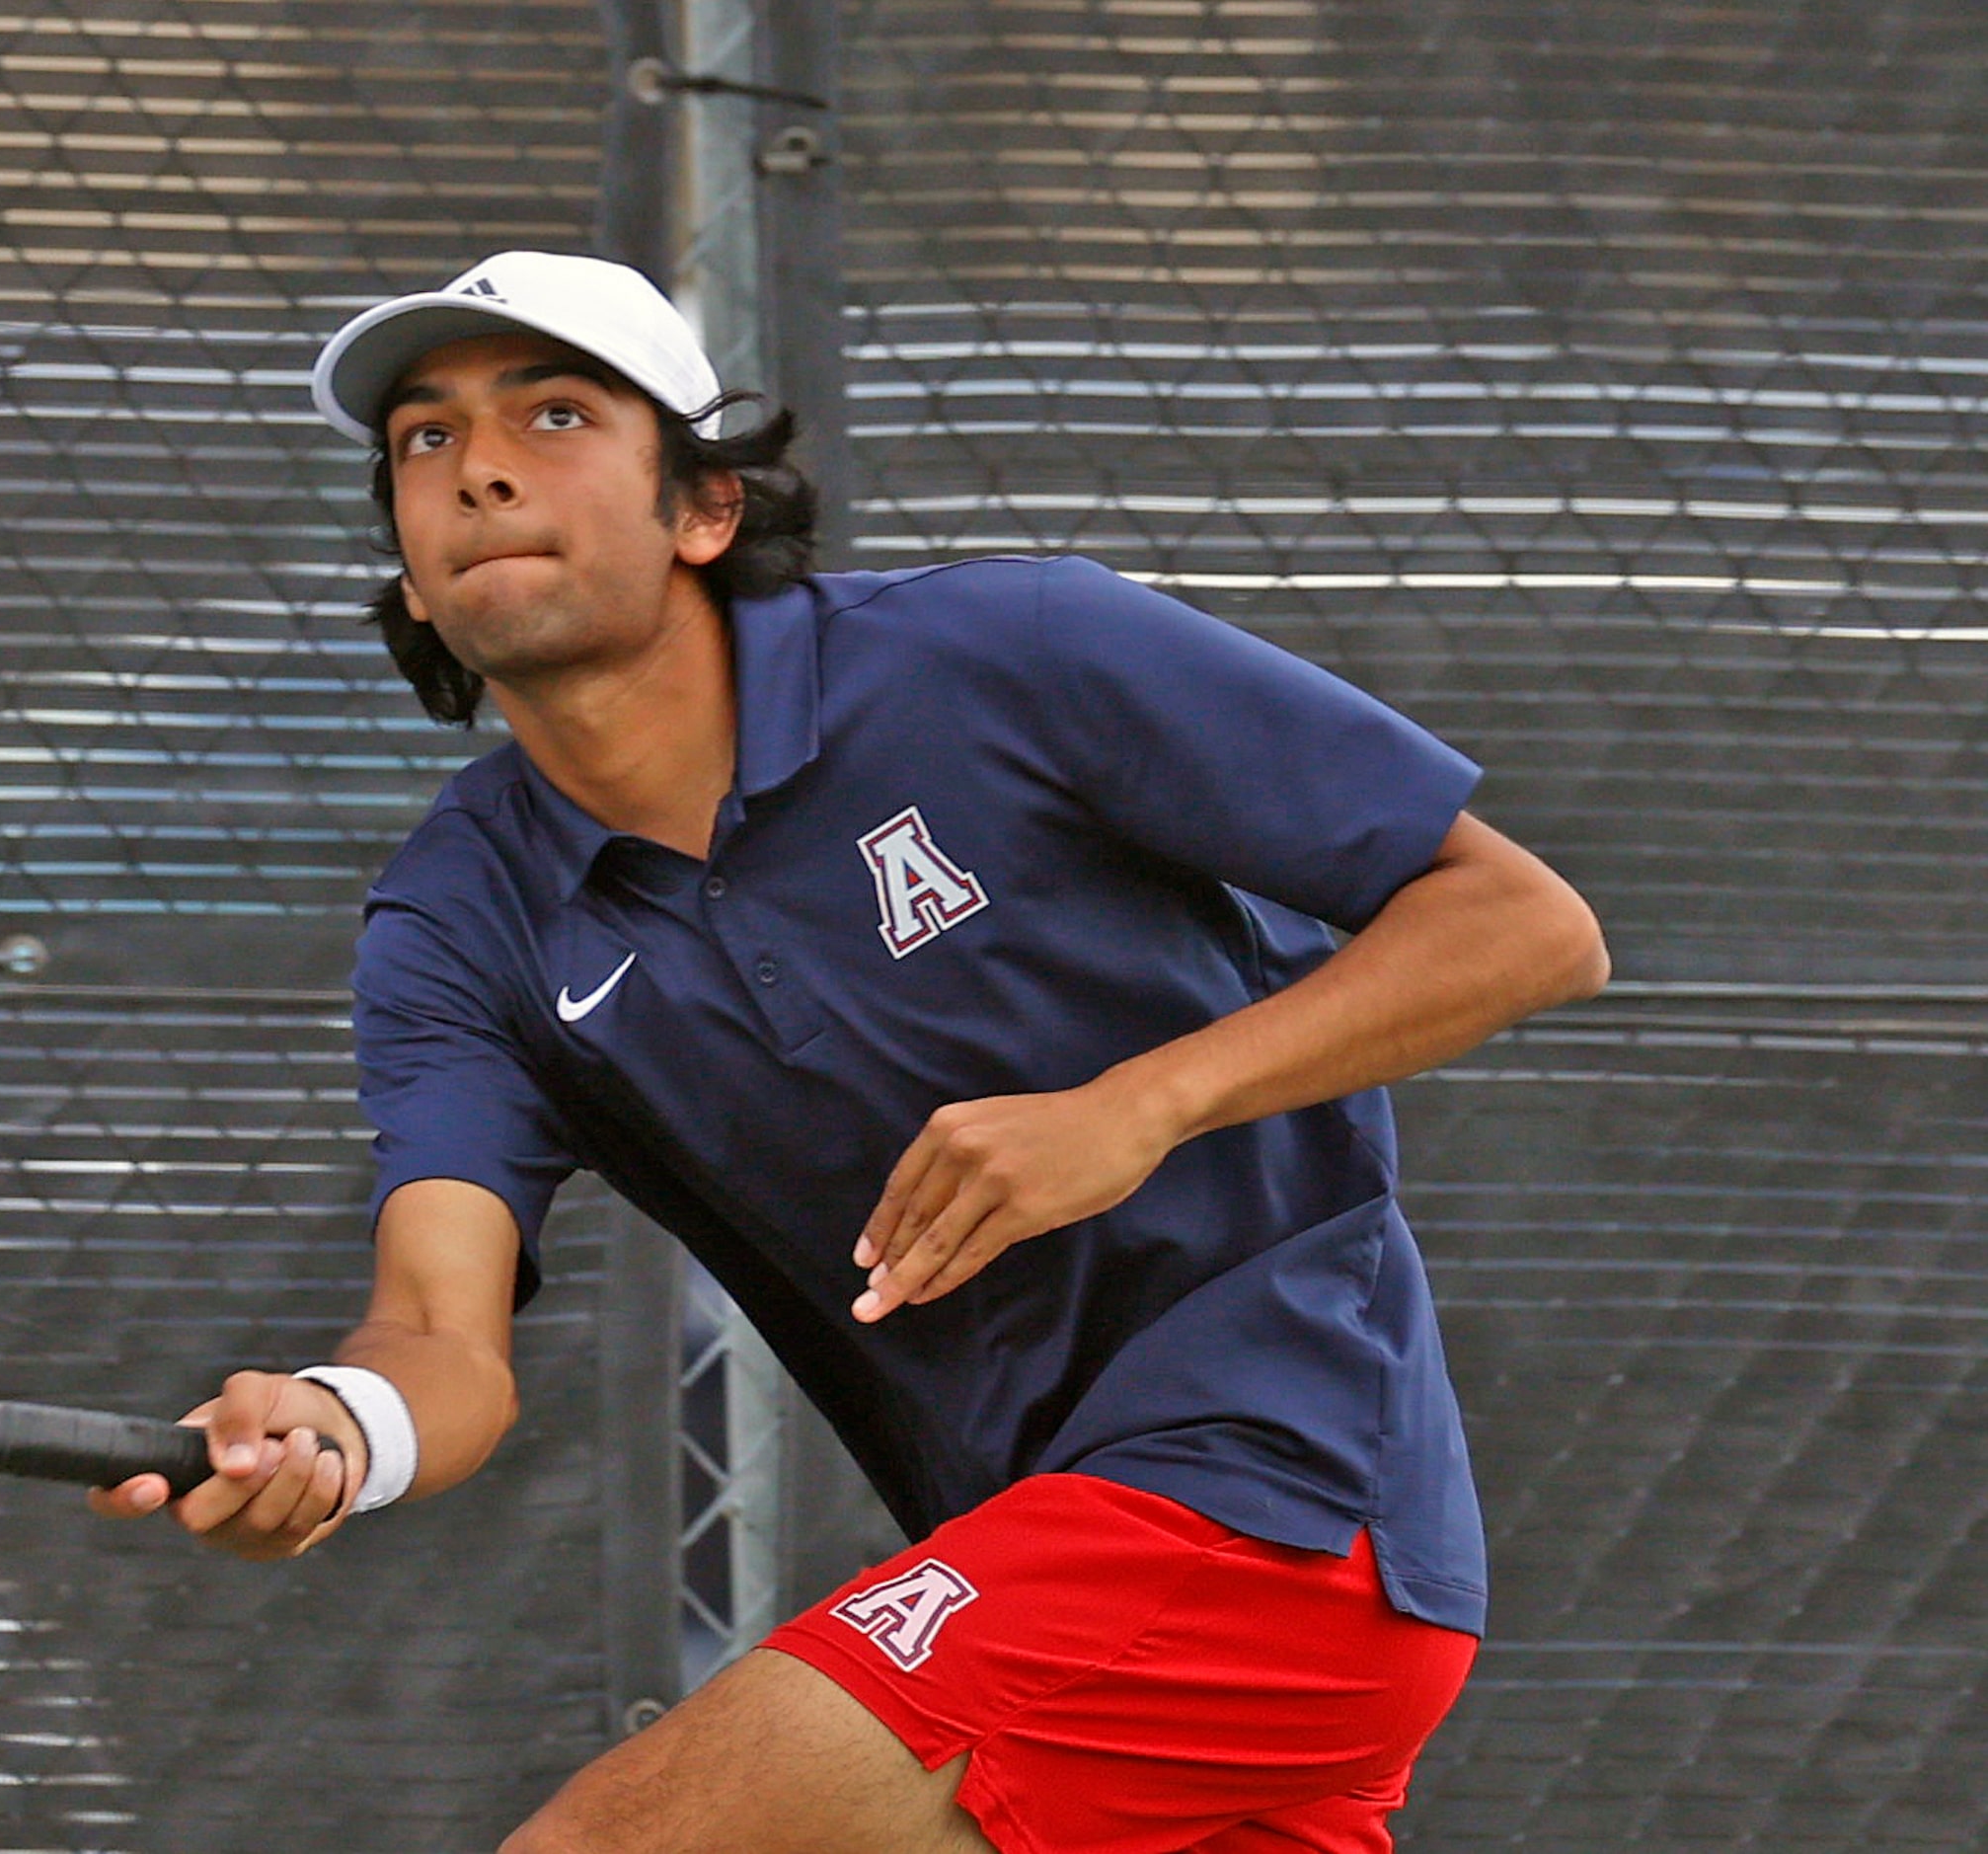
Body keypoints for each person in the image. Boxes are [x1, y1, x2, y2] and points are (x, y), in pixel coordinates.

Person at [92, 250, 1609, 1853]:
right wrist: (333, 1432)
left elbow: (1522, 921)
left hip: (1280, 1494)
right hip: (1052, 1566)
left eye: (551, 413)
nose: (476, 465)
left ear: (703, 509)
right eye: (421, 438)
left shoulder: (1007, 650)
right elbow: (435, 1331)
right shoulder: (459, 919)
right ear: (408, 575)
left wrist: (1134, 1107)